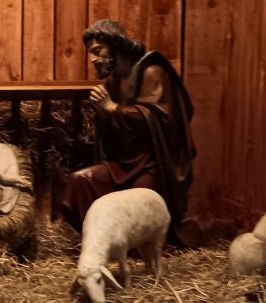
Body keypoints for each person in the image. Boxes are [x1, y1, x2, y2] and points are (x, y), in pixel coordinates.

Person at [59, 20, 196, 243]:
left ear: (116, 46)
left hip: (152, 165)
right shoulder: (113, 81)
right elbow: (114, 126)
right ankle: (106, 242)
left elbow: (159, 118)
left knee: (138, 203)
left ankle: (139, 247)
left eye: (97, 51)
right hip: (122, 163)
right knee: (78, 182)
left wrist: (112, 108)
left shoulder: (153, 71)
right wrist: (103, 115)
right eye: (90, 53)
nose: (92, 59)